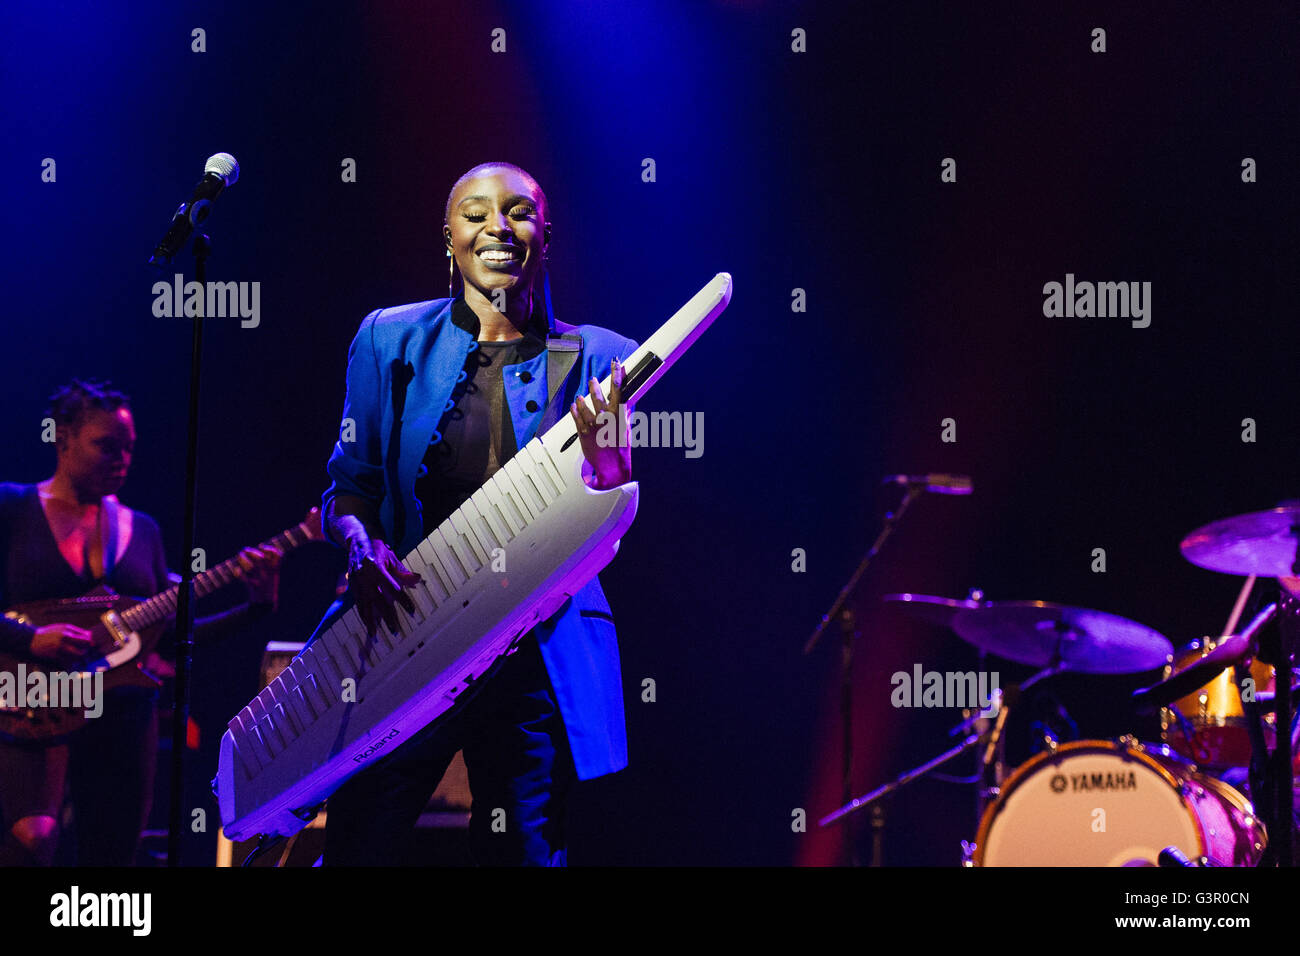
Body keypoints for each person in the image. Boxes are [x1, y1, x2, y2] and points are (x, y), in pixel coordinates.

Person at [320, 162, 638, 866]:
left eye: (518, 212)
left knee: (524, 852)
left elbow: (611, 520)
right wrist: (358, 545)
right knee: (358, 842)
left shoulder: (602, 358)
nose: (499, 225)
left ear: (545, 236)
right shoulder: (387, 341)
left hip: (535, 651)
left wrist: (611, 465)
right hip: (406, 636)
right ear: (449, 238)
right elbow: (350, 490)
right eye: (476, 212)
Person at [0, 379, 282, 866]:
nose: (121, 460)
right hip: (29, 701)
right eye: (106, 446)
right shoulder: (13, 507)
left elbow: (170, 642)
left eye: (128, 449)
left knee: (113, 856)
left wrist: (256, 606)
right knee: (33, 840)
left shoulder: (142, 530)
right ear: (62, 438)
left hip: (124, 714)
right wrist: (31, 638)